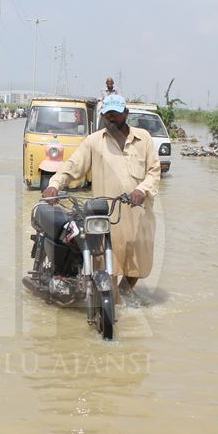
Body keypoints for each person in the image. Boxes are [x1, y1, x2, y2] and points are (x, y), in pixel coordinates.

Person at [42, 94, 160, 301]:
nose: (111, 118)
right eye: (107, 115)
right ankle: (113, 306)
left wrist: (142, 190)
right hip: (108, 216)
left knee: (136, 266)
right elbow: (72, 166)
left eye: (115, 114)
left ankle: (123, 295)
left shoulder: (144, 139)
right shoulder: (94, 141)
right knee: (108, 264)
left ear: (126, 113)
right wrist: (54, 185)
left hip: (140, 215)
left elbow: (154, 171)